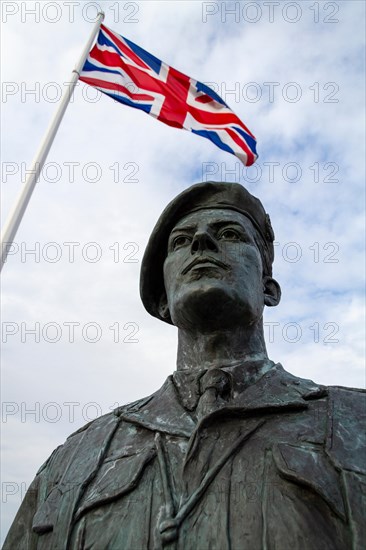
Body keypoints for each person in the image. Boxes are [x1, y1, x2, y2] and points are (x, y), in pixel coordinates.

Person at [4, 182, 365, 549]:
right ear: (164, 302)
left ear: (269, 288)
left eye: (228, 233)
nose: (202, 243)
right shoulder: (76, 457)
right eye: (181, 241)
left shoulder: (356, 422)